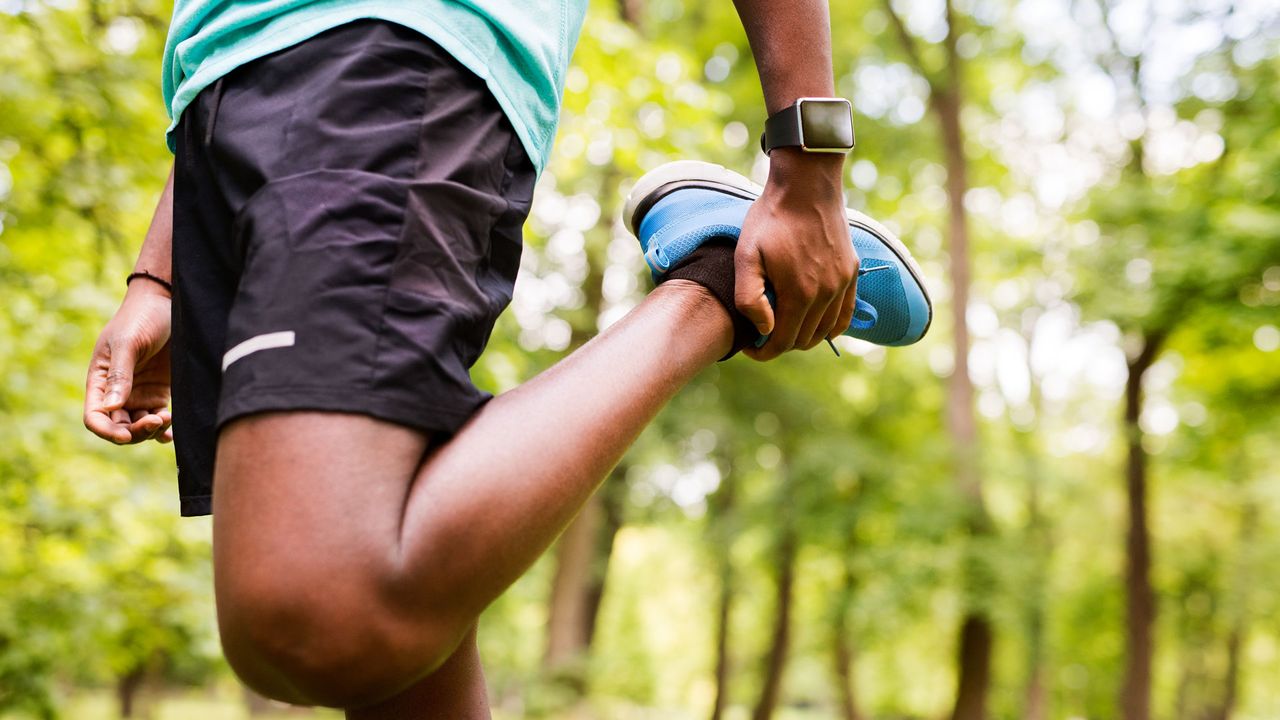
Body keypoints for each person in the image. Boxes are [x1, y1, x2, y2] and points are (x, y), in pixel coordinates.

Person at [82, 1, 927, 716]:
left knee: (317, 614)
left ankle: (709, 284)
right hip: (231, 103)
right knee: (409, 677)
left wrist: (808, 162)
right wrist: (162, 268)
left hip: (386, 54)